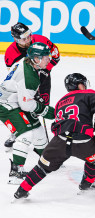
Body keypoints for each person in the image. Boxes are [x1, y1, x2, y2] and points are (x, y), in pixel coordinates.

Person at [13, 73, 95, 199]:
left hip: (59, 143)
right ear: (80, 85)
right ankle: (86, 185)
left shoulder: (60, 102)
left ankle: (21, 191)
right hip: (82, 142)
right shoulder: (88, 93)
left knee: (42, 167)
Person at [0, 42, 56, 184]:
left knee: (38, 130)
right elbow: (27, 105)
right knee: (25, 133)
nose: (48, 60)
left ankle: (47, 159)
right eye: (45, 57)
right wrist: (44, 110)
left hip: (15, 99)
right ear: (36, 59)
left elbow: (22, 93)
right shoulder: (30, 77)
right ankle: (15, 173)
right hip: (6, 105)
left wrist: (29, 96)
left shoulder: (24, 61)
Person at [4, 22, 60, 149]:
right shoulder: (10, 53)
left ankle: (49, 142)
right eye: (24, 39)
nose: (28, 39)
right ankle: (18, 131)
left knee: (42, 107)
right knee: (22, 107)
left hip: (43, 79)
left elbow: (56, 56)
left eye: (29, 35)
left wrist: (45, 70)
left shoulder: (41, 40)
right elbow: (13, 75)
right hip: (24, 83)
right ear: (16, 39)